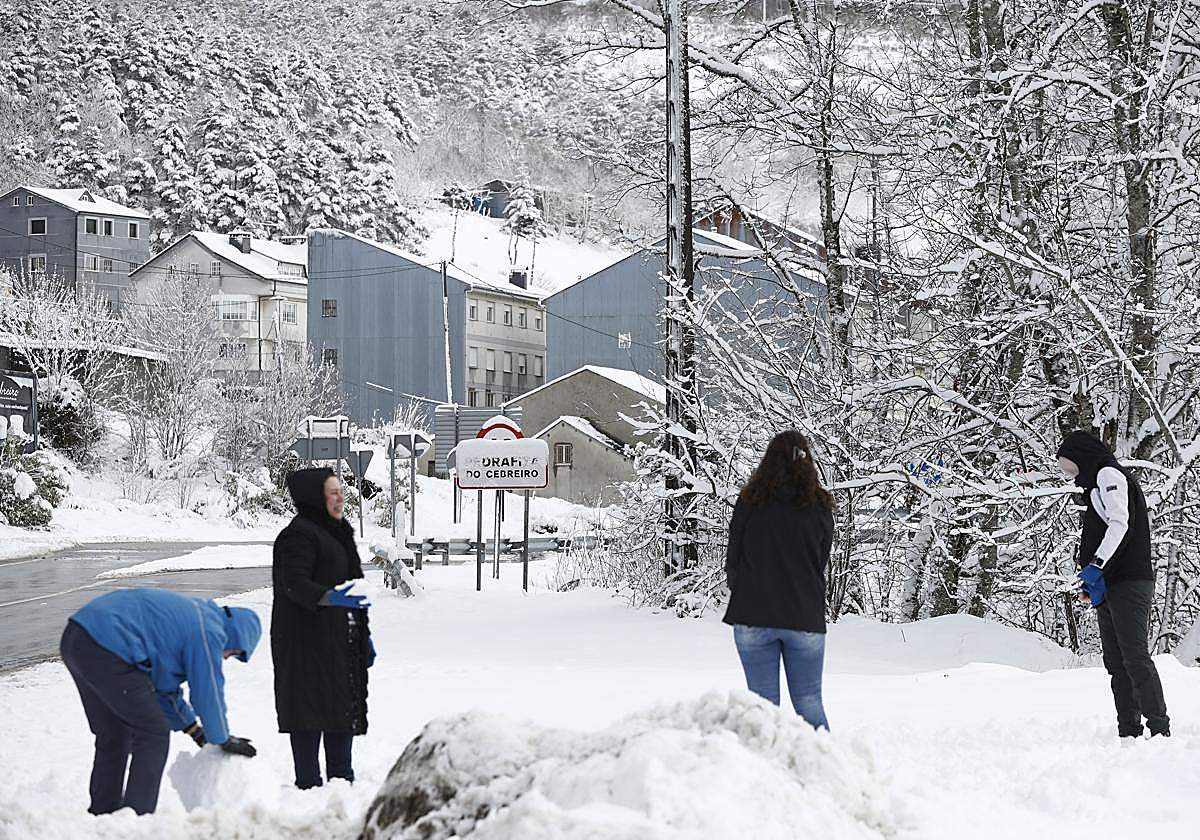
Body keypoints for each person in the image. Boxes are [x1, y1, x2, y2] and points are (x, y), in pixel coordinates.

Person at [59, 589, 261, 816]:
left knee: (114, 734)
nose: (225, 657)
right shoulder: (208, 630)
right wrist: (222, 737)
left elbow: (164, 691)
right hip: (109, 647)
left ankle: (104, 815)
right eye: (233, 652)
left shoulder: (189, 619)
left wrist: (195, 730)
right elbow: (208, 690)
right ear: (233, 633)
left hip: (78, 638)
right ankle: (137, 819)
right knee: (153, 733)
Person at [1056, 430, 1170, 738]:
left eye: (1070, 467)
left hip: (1129, 580)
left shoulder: (1109, 474)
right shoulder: (1096, 485)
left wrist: (1096, 565)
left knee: (1134, 656)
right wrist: (1093, 579)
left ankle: (1160, 729)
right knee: (1116, 661)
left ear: (1083, 457)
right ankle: (1128, 731)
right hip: (1109, 582)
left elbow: (1121, 523)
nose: (1070, 475)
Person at [723, 429, 835, 729]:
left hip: (753, 614)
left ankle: (765, 771)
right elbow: (819, 561)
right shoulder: (821, 507)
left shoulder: (749, 502)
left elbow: (732, 561)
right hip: (804, 616)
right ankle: (826, 769)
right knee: (809, 700)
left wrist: (750, 591)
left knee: (761, 707)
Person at [272, 467, 374, 790]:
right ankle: (308, 789)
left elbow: (353, 593)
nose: (340, 497)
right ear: (314, 498)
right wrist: (331, 598)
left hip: (338, 643)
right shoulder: (297, 535)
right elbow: (294, 583)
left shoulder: (338, 535)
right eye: (332, 492)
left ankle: (342, 785)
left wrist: (363, 638)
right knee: (307, 713)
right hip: (303, 645)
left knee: (340, 712)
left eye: (341, 490)